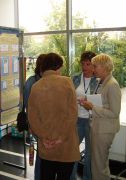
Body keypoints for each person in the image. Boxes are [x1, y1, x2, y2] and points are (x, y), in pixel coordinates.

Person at [28, 52, 80, 180]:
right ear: (58, 67)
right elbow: (72, 114)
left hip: (46, 145)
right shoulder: (67, 82)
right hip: (66, 144)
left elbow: (32, 117)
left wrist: (43, 138)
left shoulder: (36, 86)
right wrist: (61, 138)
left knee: (47, 176)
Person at [81, 53, 121, 180]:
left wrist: (92, 107)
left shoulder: (112, 85)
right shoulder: (102, 82)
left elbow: (114, 113)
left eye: (95, 66)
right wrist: (89, 103)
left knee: (99, 166)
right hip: (99, 128)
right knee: (98, 164)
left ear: (104, 67)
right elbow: (102, 103)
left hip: (104, 130)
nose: (93, 69)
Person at [70, 51, 98, 180]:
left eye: (88, 64)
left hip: (92, 120)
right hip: (77, 119)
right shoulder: (75, 78)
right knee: (73, 151)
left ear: (94, 65)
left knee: (89, 154)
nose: (85, 67)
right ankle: (71, 177)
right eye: (83, 64)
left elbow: (101, 102)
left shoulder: (98, 80)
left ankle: (87, 178)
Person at [23, 54, 46, 180]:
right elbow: (28, 107)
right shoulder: (31, 83)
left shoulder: (45, 81)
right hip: (37, 123)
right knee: (41, 154)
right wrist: (31, 125)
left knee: (43, 153)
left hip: (45, 123)